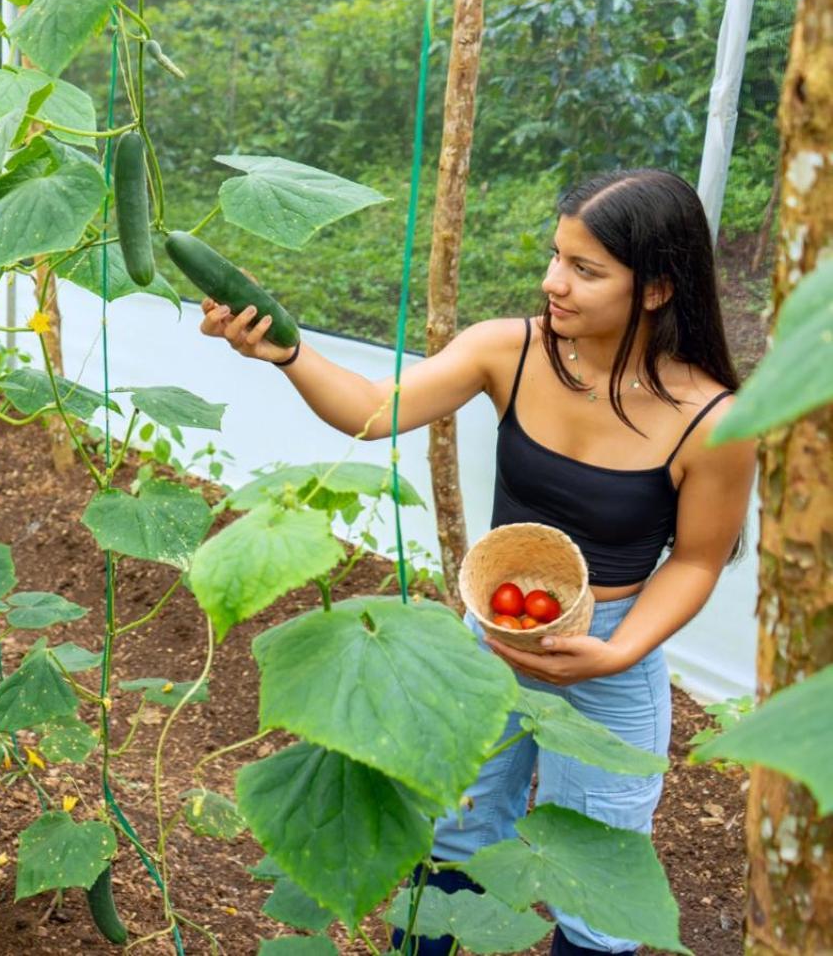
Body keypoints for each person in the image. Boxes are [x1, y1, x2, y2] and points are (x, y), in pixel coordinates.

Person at [196, 169, 756, 955]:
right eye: (555, 255)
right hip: (484, 640)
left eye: (583, 269)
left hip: (612, 656)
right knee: (452, 839)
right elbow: (371, 407)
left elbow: (695, 560)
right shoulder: (510, 348)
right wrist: (286, 350)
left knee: (593, 895)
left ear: (657, 288)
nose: (551, 282)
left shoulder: (714, 419)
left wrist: (616, 651)